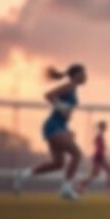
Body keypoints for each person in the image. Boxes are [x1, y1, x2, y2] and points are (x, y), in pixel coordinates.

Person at [14, 64, 87, 200]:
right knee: (77, 155)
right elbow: (48, 95)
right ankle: (66, 190)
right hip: (53, 126)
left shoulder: (73, 88)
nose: (85, 76)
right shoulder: (69, 86)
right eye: (83, 73)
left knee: (58, 164)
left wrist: (67, 127)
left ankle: (24, 174)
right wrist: (60, 106)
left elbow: (64, 112)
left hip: (59, 126)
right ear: (76, 75)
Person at [76, 121, 110, 195]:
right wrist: (100, 153)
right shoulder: (99, 136)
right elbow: (98, 146)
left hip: (99, 156)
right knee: (102, 172)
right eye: (105, 127)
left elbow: (97, 145)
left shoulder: (100, 136)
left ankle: (80, 186)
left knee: (97, 174)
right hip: (98, 157)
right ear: (102, 127)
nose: (106, 128)